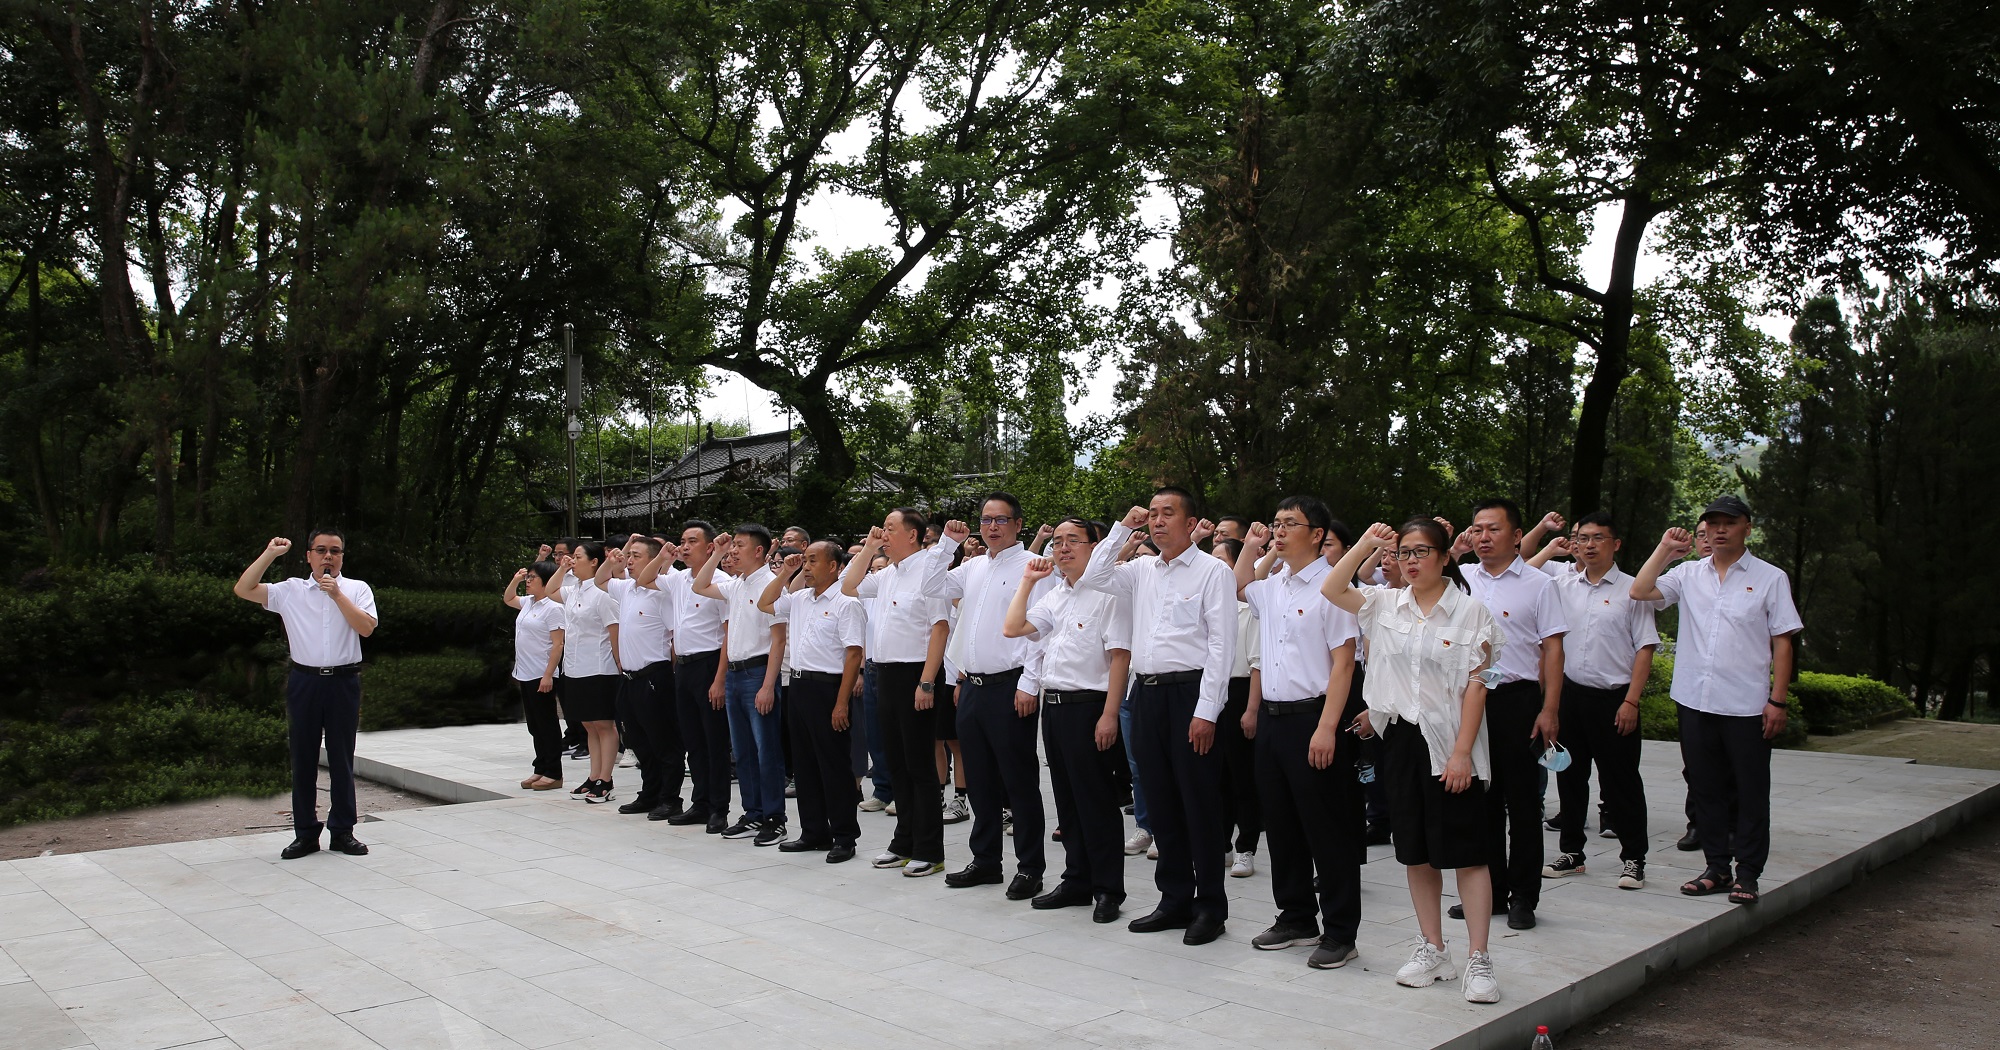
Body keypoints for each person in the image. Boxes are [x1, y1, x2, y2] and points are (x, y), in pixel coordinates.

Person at [1322, 519, 1505, 1004]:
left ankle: (1479, 958)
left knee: (1468, 853)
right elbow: (1331, 585)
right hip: (1400, 741)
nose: (1411, 561)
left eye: (1422, 551)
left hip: (1451, 744)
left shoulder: (1472, 614)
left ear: (1446, 557)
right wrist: (1366, 541)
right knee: (1416, 852)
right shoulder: (1383, 605)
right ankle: (1433, 948)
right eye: (1404, 552)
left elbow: (1478, 687)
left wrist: (1463, 752)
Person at [1080, 490, 1238, 945]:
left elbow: (1221, 646)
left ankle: (1210, 905)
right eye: (1153, 515)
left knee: (1200, 804)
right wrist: (1121, 528)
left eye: (1169, 514)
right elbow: (1094, 575)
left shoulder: (1213, 572)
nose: (1158, 521)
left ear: (1192, 524)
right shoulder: (1140, 571)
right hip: (1145, 693)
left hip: (1191, 695)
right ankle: (1173, 899)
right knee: (1160, 802)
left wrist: (1207, 710)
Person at [1632, 495, 1802, 906]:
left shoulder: (1769, 577)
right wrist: (1666, 549)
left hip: (1746, 704)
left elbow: (1783, 641)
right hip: (1694, 699)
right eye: (1712, 523)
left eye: (1729, 522)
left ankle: (1748, 873)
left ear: (1747, 526)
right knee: (1705, 787)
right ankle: (1716, 868)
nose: (1720, 529)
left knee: (1749, 790)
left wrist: (1777, 701)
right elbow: (1640, 590)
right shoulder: (1689, 574)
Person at [1234, 499, 1366, 970]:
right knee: (1281, 823)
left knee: (1326, 827)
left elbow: (1344, 663)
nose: (1280, 531)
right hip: (1272, 719)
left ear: (1317, 534)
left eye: (1291, 524)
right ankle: (1294, 917)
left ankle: (1340, 931)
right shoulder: (1272, 588)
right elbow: (1239, 585)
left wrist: (1328, 727)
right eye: (1277, 523)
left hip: (1314, 717)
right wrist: (1252, 546)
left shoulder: (1333, 588)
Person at [927, 494, 1054, 899]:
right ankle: (985, 861)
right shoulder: (973, 566)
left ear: (1018, 525)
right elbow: (930, 585)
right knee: (979, 779)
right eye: (986, 520)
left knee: (1018, 782)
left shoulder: (1034, 568)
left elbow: (1040, 630)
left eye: (1001, 520)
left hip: (1011, 685)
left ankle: (1030, 867)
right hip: (973, 684)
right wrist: (947, 544)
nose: (992, 527)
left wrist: (1029, 683)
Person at [1004, 518, 1131, 923]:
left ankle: (1108, 888)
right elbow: (1013, 628)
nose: (1062, 548)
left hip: (1090, 707)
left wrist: (1110, 714)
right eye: (1056, 541)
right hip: (1054, 706)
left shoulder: (1109, 595)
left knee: (1096, 801)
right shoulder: (1055, 596)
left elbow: (1120, 658)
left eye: (1073, 541)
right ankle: (1077, 879)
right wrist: (1027, 580)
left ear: (1096, 546)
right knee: (1068, 800)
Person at [1455, 498, 1567, 930]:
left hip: (1517, 699)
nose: (1483, 537)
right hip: (1469, 700)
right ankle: (1490, 893)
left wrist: (1549, 708)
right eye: (1477, 529)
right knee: (1478, 802)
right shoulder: (1461, 579)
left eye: (1493, 529)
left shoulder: (1540, 584)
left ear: (1517, 535)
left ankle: (1523, 896)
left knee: (1521, 804)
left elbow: (1553, 648)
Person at [234, 531, 380, 859]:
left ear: (342, 557)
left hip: (344, 682)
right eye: (321, 550)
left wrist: (338, 596)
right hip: (305, 682)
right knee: (302, 758)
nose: (328, 556)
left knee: (342, 758)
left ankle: (342, 831)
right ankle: (305, 834)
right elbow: (243, 589)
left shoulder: (357, 589)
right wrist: (270, 553)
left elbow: (366, 628)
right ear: (308, 555)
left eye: (335, 551)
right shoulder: (291, 591)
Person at [1537, 512, 1658, 890]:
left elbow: (1645, 648)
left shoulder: (1632, 589)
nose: (1589, 545)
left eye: (1598, 538)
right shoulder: (1563, 586)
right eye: (1583, 538)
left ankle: (1634, 858)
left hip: (1614, 700)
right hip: (1570, 695)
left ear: (1616, 544)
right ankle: (1572, 852)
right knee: (1570, 777)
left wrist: (1632, 701)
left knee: (1621, 782)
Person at [843, 510, 952, 877]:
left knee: (920, 765)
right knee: (897, 763)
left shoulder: (930, 570)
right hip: (884, 673)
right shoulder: (887, 573)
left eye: (890, 529)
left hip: (917, 674)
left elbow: (940, 629)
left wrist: (926, 681)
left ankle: (930, 849)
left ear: (913, 535)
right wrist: (869, 547)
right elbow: (847, 584)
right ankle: (903, 841)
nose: (884, 534)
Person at [759, 543, 866, 862]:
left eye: (812, 561)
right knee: (805, 764)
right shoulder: (800, 599)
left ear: (833, 566)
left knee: (833, 765)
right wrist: (786, 572)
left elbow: (853, 654)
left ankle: (845, 835)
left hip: (829, 687)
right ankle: (814, 831)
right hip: (800, 685)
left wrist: (841, 703)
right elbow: (765, 603)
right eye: (803, 561)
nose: (806, 566)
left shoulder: (846, 603)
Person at [693, 525, 788, 845]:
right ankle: (753, 812)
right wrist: (716, 552)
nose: (733, 550)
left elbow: (778, 640)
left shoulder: (772, 586)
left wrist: (767, 685)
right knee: (744, 751)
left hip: (757, 674)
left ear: (759, 551)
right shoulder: (736, 585)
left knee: (766, 751)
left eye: (739, 545)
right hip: (734, 675)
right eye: (731, 545)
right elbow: (699, 585)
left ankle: (774, 818)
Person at [640, 522, 733, 834]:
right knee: (693, 741)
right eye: (682, 541)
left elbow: (727, 636)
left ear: (710, 547)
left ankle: (719, 807)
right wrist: (664, 555)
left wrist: (720, 679)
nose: (685, 546)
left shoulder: (720, 582)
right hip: (684, 666)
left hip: (709, 665)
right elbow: (644, 578)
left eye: (693, 541)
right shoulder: (678, 579)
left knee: (714, 742)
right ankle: (701, 802)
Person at [604, 535, 685, 819]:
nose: (630, 560)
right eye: (630, 556)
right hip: (628, 679)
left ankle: (670, 798)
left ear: (653, 560)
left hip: (654, 676)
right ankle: (649, 793)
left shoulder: (662, 594)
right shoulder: (627, 588)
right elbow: (600, 579)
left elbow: (675, 638)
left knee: (663, 741)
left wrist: (670, 677)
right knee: (639, 741)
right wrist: (620, 552)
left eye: (637, 556)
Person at [1209, 537, 1264, 879]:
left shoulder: (1250, 608)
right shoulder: (1210, 605)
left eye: (1223, 562)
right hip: (1213, 692)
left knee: (1243, 777)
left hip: (1242, 691)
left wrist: (1251, 709)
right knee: (1217, 776)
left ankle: (1246, 847)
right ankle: (1222, 844)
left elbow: (1257, 661)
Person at [559, 542, 623, 802]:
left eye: (577, 557)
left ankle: (606, 780)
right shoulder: (574, 590)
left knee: (604, 724)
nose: (572, 561)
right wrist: (562, 568)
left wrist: (620, 664)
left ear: (595, 562)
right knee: (588, 724)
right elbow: (550, 589)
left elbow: (614, 629)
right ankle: (593, 776)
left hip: (600, 668)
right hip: (575, 667)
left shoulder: (603, 593)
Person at [505, 561, 567, 791]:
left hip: (542, 673)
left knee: (547, 723)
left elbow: (558, 644)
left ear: (546, 581)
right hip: (525, 672)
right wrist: (516, 579)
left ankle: (553, 772)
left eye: (532, 578)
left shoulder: (554, 607)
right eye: (527, 577)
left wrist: (549, 674)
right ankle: (540, 767)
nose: (528, 581)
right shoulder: (529, 603)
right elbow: (509, 598)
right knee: (534, 725)